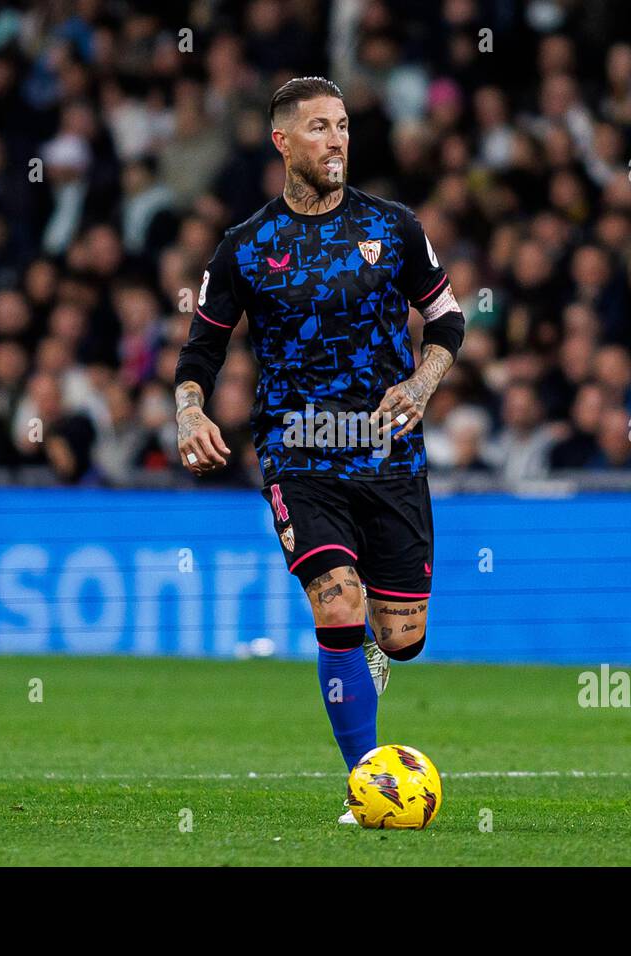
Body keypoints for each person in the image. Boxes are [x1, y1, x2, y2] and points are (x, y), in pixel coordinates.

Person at [172, 77, 464, 824]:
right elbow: (201, 350)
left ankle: (371, 654)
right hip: (298, 449)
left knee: (402, 637)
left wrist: (423, 384)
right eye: (318, 129)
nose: (336, 141)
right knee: (336, 602)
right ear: (283, 142)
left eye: (341, 127)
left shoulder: (393, 227)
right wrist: (188, 412)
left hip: (387, 449)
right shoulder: (245, 247)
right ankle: (367, 783)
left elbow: (447, 319)